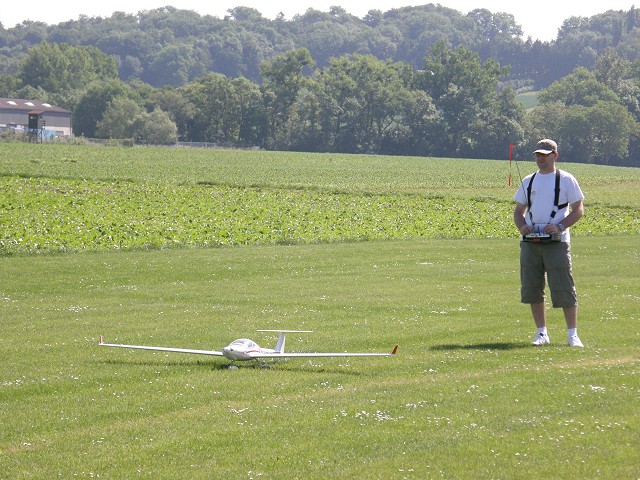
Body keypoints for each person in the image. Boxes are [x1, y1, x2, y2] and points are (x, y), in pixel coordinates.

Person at [513, 139, 585, 347]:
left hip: (557, 242)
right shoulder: (528, 180)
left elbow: (578, 209)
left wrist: (560, 227)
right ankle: (541, 333)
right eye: (537, 155)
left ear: (555, 155)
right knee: (532, 287)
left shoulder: (566, 179)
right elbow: (519, 212)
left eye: (544, 155)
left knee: (563, 286)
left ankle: (572, 335)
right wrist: (522, 227)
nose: (540, 159)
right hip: (530, 242)